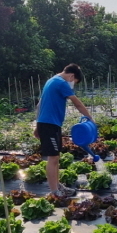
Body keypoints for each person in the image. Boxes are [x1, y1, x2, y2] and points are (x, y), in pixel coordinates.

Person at [34, 64, 93, 196]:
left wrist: (38, 125)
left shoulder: (51, 80)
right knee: (53, 158)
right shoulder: (61, 83)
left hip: (49, 123)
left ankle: (58, 186)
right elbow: (77, 103)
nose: (73, 85)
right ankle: (54, 191)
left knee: (56, 157)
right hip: (49, 124)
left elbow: (40, 104)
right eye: (74, 82)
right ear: (72, 76)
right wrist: (90, 118)